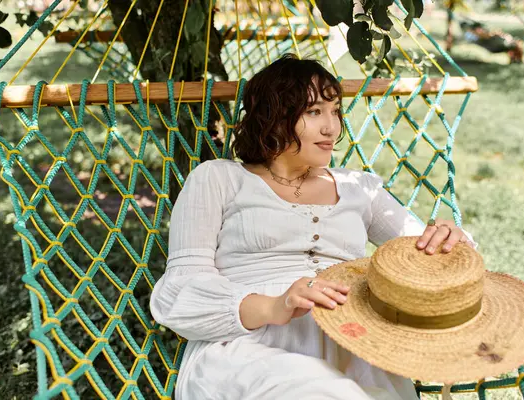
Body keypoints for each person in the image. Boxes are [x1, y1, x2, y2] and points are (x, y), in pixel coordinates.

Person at [150, 54, 476, 400]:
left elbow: (422, 253)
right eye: (314, 112)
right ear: (272, 118)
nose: (331, 127)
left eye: (335, 111)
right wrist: (276, 305)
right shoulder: (219, 178)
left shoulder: (358, 187)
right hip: (247, 352)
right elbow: (178, 293)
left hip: (354, 347)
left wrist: (449, 240)